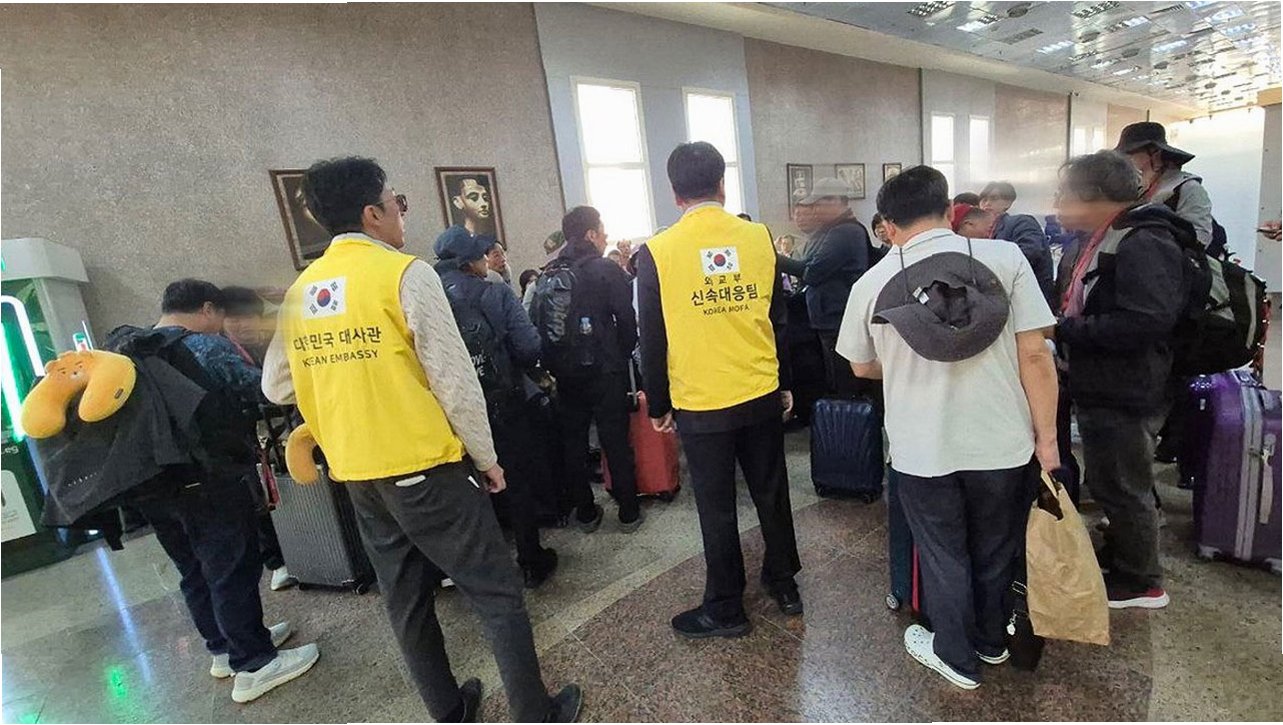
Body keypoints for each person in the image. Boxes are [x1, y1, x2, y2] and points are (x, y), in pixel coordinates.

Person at [261, 157, 581, 723]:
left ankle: (448, 709)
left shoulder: (302, 291)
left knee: (406, 600)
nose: (401, 212)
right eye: (397, 201)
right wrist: (487, 459)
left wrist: (346, 382)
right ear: (372, 212)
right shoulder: (404, 274)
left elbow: (277, 384)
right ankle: (535, 713)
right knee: (496, 592)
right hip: (425, 467)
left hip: (358, 473)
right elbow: (455, 383)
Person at [836, 166, 1058, 690]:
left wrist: (907, 359)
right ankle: (991, 641)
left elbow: (861, 367)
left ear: (888, 225)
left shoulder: (871, 283)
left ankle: (956, 657)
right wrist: (1048, 440)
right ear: (946, 210)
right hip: (1003, 441)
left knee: (942, 553)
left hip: (922, 448)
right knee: (996, 546)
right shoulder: (1006, 259)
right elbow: (1036, 354)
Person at [635, 141, 803, 638]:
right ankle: (784, 583)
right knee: (772, 491)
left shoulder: (657, 251)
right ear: (722, 185)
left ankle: (726, 607)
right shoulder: (757, 237)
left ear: (674, 193)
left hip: (701, 401)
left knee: (716, 506)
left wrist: (658, 402)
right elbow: (776, 316)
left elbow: (652, 336)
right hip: (759, 389)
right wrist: (783, 382)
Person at [140, 279, 318, 703]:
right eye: (218, 315)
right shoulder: (204, 346)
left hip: (154, 486)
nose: (221, 324)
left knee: (193, 570)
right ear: (206, 308)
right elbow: (265, 390)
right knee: (230, 569)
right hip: (209, 479)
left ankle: (224, 647)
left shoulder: (133, 352)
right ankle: (254, 664)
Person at [1053, 150, 1190, 611]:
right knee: (1111, 480)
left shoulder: (1143, 241)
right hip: (1104, 382)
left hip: (1128, 387)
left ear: (1094, 196)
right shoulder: (1104, 236)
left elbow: (1146, 321)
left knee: (1126, 486)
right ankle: (1124, 558)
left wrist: (1066, 330)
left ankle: (1143, 582)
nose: (1058, 203)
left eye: (1065, 194)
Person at [434, 233, 561, 589]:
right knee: (515, 479)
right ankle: (531, 561)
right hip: (502, 402)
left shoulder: (426, 295)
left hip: (448, 409)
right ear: (472, 262)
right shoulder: (495, 292)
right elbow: (528, 346)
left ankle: (483, 572)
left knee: (465, 488)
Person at [534, 206, 642, 533]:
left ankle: (585, 512)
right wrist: (620, 353)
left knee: (574, 443)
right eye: (602, 230)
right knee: (615, 440)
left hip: (565, 374)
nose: (606, 236)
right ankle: (628, 511)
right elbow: (627, 320)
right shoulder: (605, 269)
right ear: (591, 234)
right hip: (605, 371)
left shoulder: (549, 273)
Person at [220, 285, 298, 593]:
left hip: (288, 429)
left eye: (247, 317)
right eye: (233, 319)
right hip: (249, 439)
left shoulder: (278, 340)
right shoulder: (222, 352)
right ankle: (277, 562)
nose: (241, 325)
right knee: (261, 498)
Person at [776, 177, 874, 398]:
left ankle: (846, 418)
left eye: (818, 204)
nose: (815, 210)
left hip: (837, 319)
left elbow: (812, 272)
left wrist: (772, 257)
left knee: (843, 382)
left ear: (836, 201)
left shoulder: (844, 232)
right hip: (828, 317)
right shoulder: (828, 231)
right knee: (833, 379)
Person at [1116, 121, 1215, 252]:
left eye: (1130, 154)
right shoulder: (1138, 189)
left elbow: (1200, 239)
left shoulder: (1187, 188)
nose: (1126, 160)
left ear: (1154, 153)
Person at [979, 181, 1056, 309]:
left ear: (1008, 202)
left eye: (994, 198)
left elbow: (1031, 251)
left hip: (1031, 301)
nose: (987, 203)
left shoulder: (1020, 222)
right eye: (983, 199)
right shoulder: (985, 232)